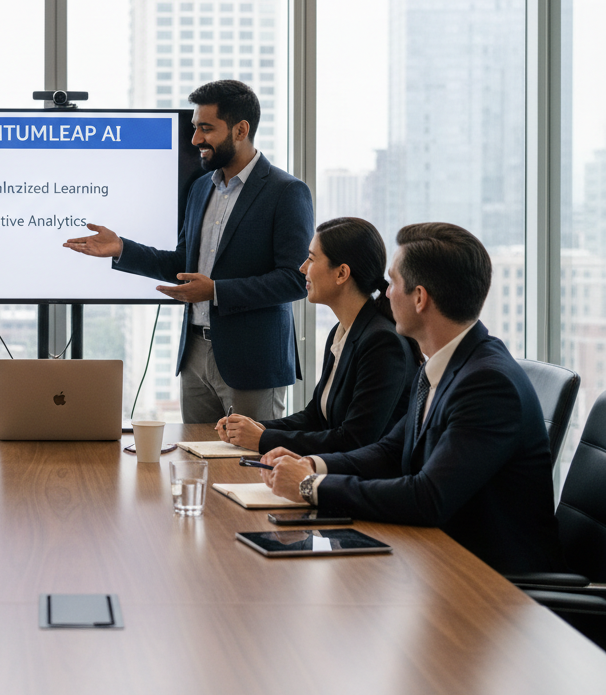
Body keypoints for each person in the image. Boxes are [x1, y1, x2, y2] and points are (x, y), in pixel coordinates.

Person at [262, 222, 563, 575]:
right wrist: (313, 465)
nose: (384, 294)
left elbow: (427, 498)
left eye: (392, 284)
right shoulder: (443, 363)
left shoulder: (487, 384)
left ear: (419, 298)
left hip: (491, 586)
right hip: (436, 559)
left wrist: (311, 486)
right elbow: (390, 452)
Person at [63, 79, 313, 423]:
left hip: (253, 361)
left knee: (249, 468)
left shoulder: (286, 191)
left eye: (206, 129)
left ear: (240, 130)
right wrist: (122, 248)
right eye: (196, 128)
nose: (196, 139)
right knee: (195, 458)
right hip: (194, 354)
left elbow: (295, 280)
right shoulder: (200, 188)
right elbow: (183, 263)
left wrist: (214, 291)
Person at [215, 217, 420, 456]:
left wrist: (263, 439)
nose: (302, 268)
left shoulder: (382, 343)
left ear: (342, 273)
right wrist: (254, 429)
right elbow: (315, 417)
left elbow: (355, 440)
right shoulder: (341, 331)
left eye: (311, 259)